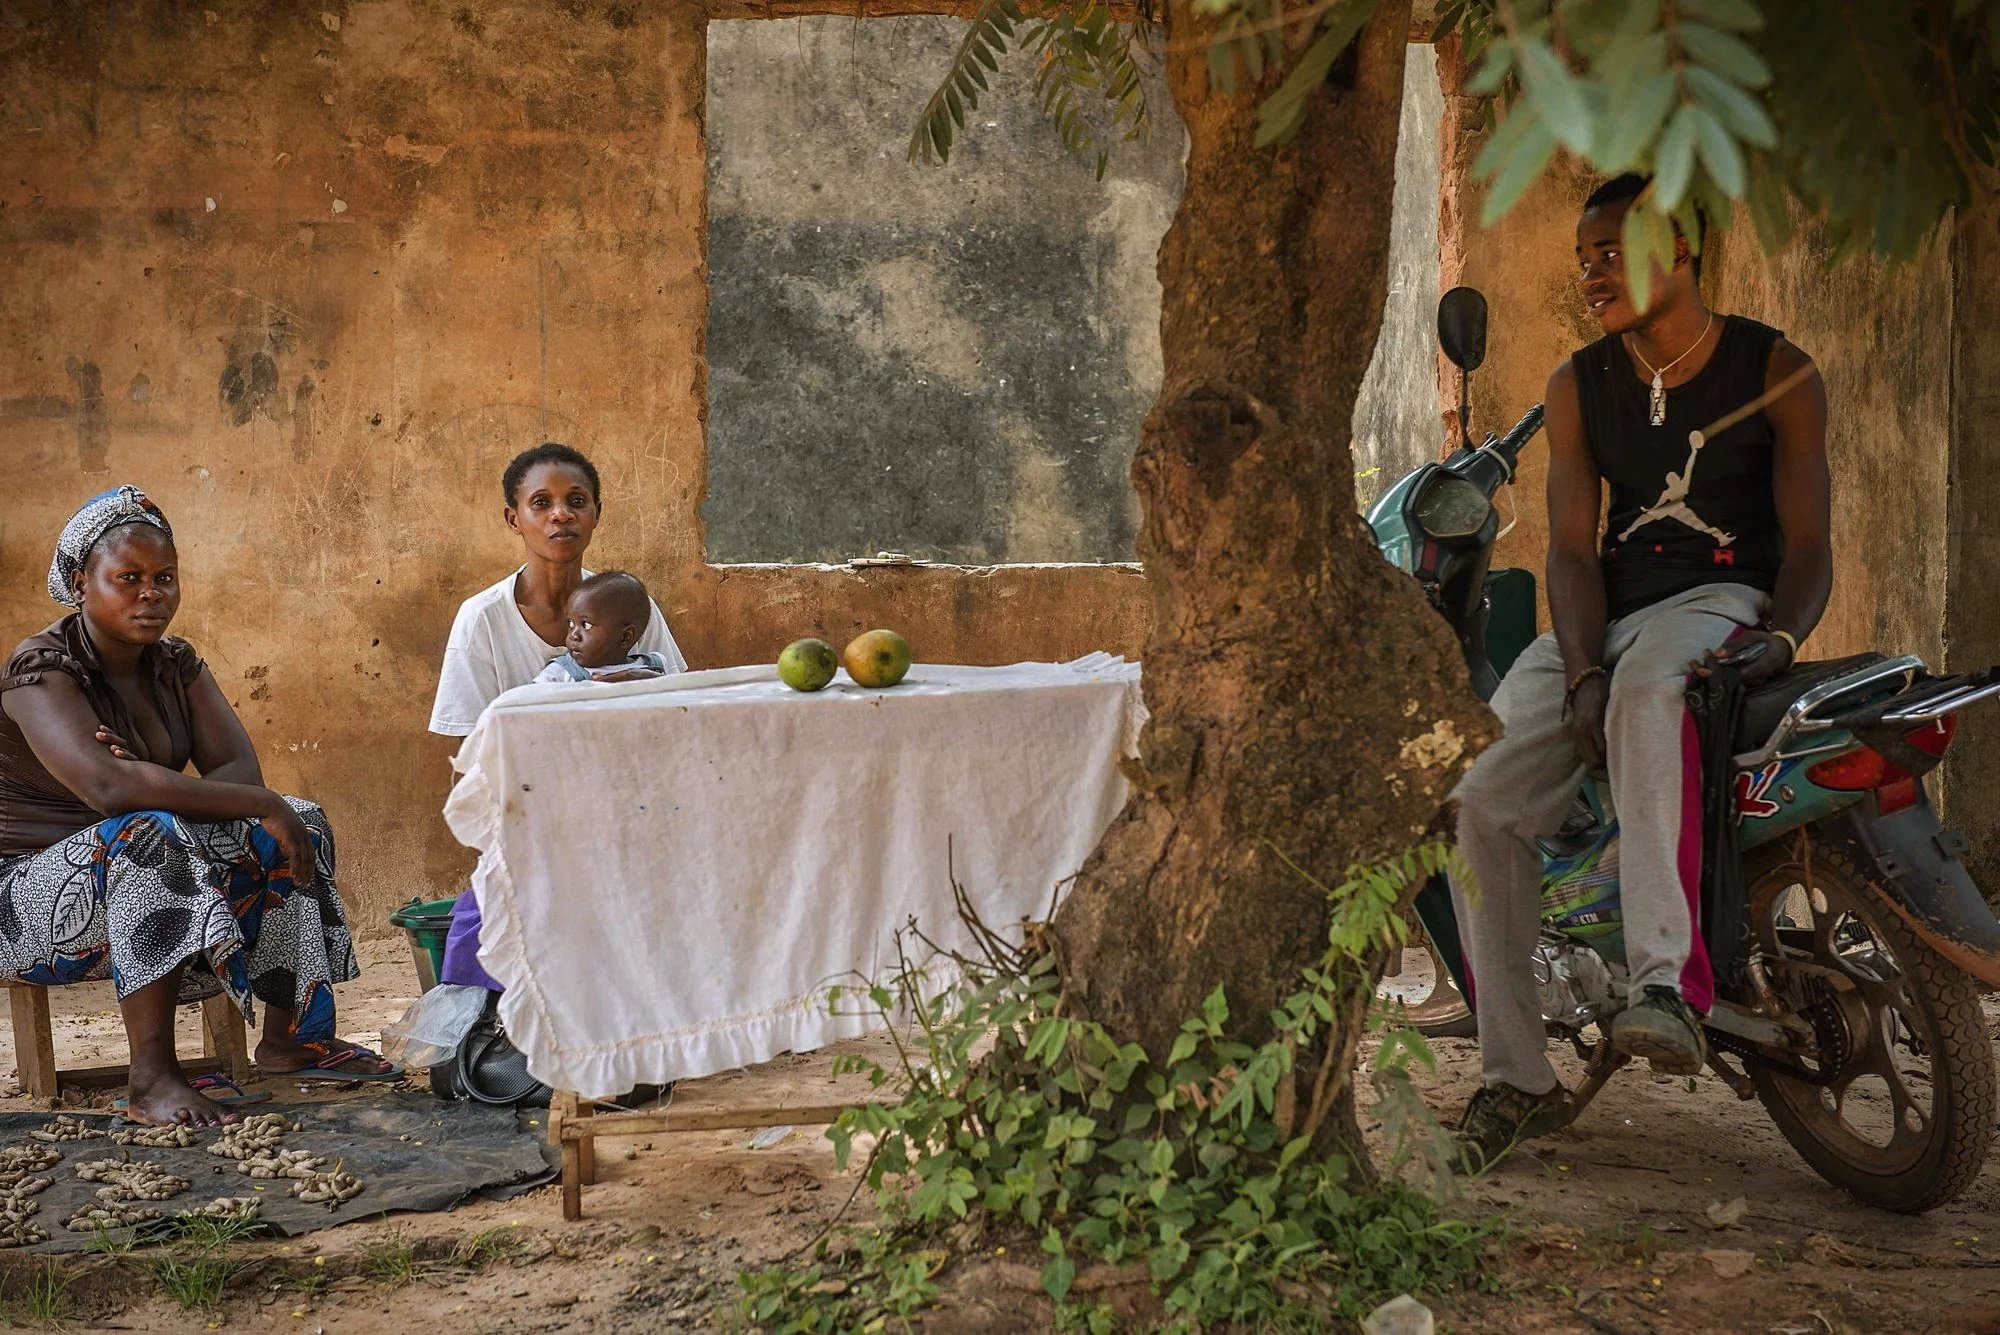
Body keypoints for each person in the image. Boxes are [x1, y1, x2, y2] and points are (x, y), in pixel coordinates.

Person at [1448, 174, 1832, 1167]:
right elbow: (1571, 552)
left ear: (1681, 249)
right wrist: (1576, 670)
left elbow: (1807, 546)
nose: (1588, 273)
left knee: (1649, 690)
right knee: (1481, 802)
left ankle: (1665, 985)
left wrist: (1780, 638)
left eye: (1609, 252)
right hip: (1606, 612)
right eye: (1581, 257)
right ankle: (1516, 1079)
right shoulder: (1577, 385)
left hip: (1717, 599)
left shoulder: (1776, 371)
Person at [0, 486, 396, 1127]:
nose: (150, 594)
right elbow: (109, 791)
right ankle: (151, 1079)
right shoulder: (42, 669)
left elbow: (239, 769)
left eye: (164, 578)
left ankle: (290, 1039)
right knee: (150, 831)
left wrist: (159, 780)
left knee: (298, 818)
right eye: (127, 578)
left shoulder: (173, 664)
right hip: (24, 897)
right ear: (80, 581)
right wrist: (169, 789)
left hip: (140, 868)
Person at [431, 444, 685, 994]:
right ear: (513, 518)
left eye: (577, 501)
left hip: (627, 804)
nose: (560, 514)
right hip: (525, 812)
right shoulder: (482, 619)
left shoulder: (631, 609)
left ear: (596, 514)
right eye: (541, 502)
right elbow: (467, 747)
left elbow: (676, 708)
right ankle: (501, 1048)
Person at [533, 572, 675, 684]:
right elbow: (524, 705)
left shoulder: (654, 667)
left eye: (586, 625)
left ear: (626, 637)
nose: (573, 635)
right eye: (570, 623)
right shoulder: (559, 674)